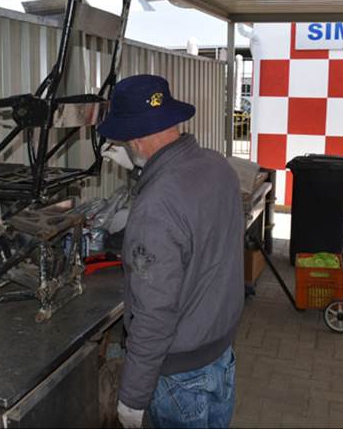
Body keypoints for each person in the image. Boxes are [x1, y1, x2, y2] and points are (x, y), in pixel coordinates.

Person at [97, 74, 245, 428]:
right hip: (220, 355)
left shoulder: (155, 207)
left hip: (179, 378)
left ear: (133, 138)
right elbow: (192, 219)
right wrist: (142, 170)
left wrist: (132, 399)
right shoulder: (217, 166)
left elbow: (154, 314)